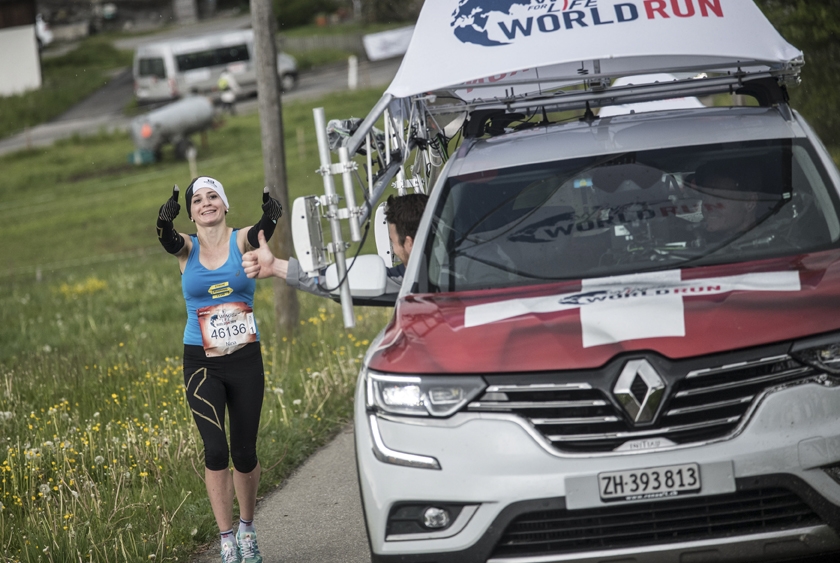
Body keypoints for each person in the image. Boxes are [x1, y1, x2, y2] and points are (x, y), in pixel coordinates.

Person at [156, 176, 283, 563]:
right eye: (198, 200)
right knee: (215, 450)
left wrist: (270, 213)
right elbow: (167, 238)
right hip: (200, 362)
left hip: (244, 358)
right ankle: (226, 539)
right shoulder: (187, 248)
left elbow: (264, 229)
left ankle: (247, 528)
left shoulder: (241, 239)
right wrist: (164, 219)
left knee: (244, 453)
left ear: (225, 205)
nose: (206, 203)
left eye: (213, 197)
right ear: (191, 213)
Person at [241, 193, 429, 294]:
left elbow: (336, 283)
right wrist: (275, 266)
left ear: (410, 244)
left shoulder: (415, 281)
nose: (394, 250)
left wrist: (277, 267)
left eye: (393, 242)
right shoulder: (447, 268)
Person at [693, 163, 759, 239]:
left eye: (718, 197)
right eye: (704, 197)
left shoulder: (771, 243)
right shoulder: (695, 239)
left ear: (750, 202)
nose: (707, 207)